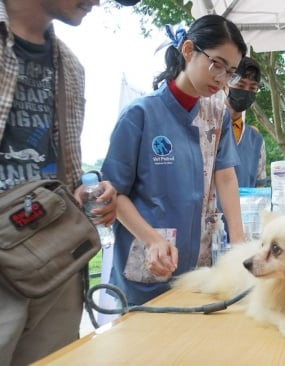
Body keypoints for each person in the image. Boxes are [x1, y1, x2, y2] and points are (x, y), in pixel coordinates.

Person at [0, 0, 126, 364]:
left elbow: (63, 176)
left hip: (53, 264)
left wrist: (89, 194)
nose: (98, 2)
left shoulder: (70, 65)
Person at [101, 15, 247, 306]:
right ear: (189, 50)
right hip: (146, 268)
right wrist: (151, 239)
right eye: (216, 64)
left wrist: (240, 243)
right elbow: (114, 195)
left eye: (229, 72)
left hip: (199, 272)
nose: (221, 79)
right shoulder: (140, 115)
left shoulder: (217, 114)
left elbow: (226, 176)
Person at [226, 56, 267, 188]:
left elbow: (259, 184)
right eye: (241, 85)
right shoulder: (209, 129)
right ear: (225, 84)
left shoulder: (256, 139)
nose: (246, 91)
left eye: (252, 88)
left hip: (246, 208)